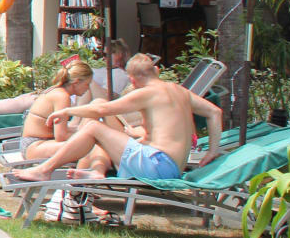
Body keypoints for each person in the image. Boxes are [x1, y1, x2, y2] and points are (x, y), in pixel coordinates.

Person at [15, 54, 223, 182]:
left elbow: (101, 110)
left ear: (132, 79)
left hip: (157, 165)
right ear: (157, 71)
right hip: (173, 168)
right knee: (104, 133)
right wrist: (212, 151)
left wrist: (67, 112)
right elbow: (215, 112)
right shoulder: (181, 91)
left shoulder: (147, 93)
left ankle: (45, 170)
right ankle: (96, 171)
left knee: (93, 128)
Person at [0, 39, 133, 115]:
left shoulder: (119, 74)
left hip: (73, 101)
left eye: (110, 54)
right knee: (25, 98)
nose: (105, 57)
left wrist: (86, 79)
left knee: (28, 101)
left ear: (120, 55)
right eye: (104, 54)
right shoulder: (102, 68)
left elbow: (108, 98)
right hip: (67, 93)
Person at [15, 61, 112, 175]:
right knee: (89, 147)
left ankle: (84, 177)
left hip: (33, 143)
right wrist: (88, 136)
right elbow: (61, 136)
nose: (87, 89)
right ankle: (78, 182)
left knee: (92, 131)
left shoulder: (55, 90)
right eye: (87, 84)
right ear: (76, 82)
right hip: (35, 146)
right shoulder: (62, 97)